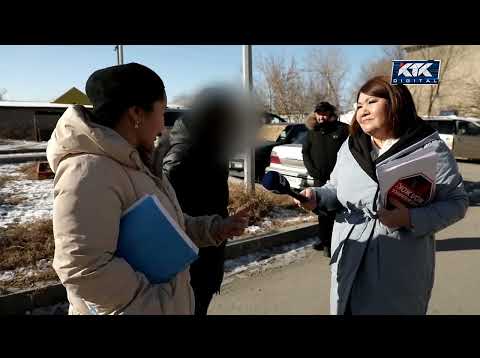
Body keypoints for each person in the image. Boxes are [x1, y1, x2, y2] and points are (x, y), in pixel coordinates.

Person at [46, 63, 248, 315]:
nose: (163, 126)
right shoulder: (87, 172)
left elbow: (165, 227)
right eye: (161, 112)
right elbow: (83, 270)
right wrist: (159, 304)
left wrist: (215, 228)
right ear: (136, 114)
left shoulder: (136, 163)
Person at [296, 76, 469, 315]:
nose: (362, 111)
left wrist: (409, 218)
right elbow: (335, 188)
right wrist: (316, 196)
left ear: (395, 102)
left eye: (371, 102)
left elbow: (456, 202)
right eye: (358, 105)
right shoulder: (351, 146)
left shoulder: (429, 148)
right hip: (349, 255)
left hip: (397, 264)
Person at [160, 87, 244, 315]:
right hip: (190, 261)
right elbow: (169, 218)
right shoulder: (182, 155)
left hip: (209, 247)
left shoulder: (211, 147)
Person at [302, 102, 349, 257]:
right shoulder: (312, 131)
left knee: (337, 209)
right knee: (322, 211)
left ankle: (339, 240)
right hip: (319, 178)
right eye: (318, 113)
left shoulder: (342, 129)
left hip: (339, 179)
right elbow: (306, 152)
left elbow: (353, 149)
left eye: (324, 113)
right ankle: (325, 241)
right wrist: (312, 171)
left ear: (330, 114)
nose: (321, 117)